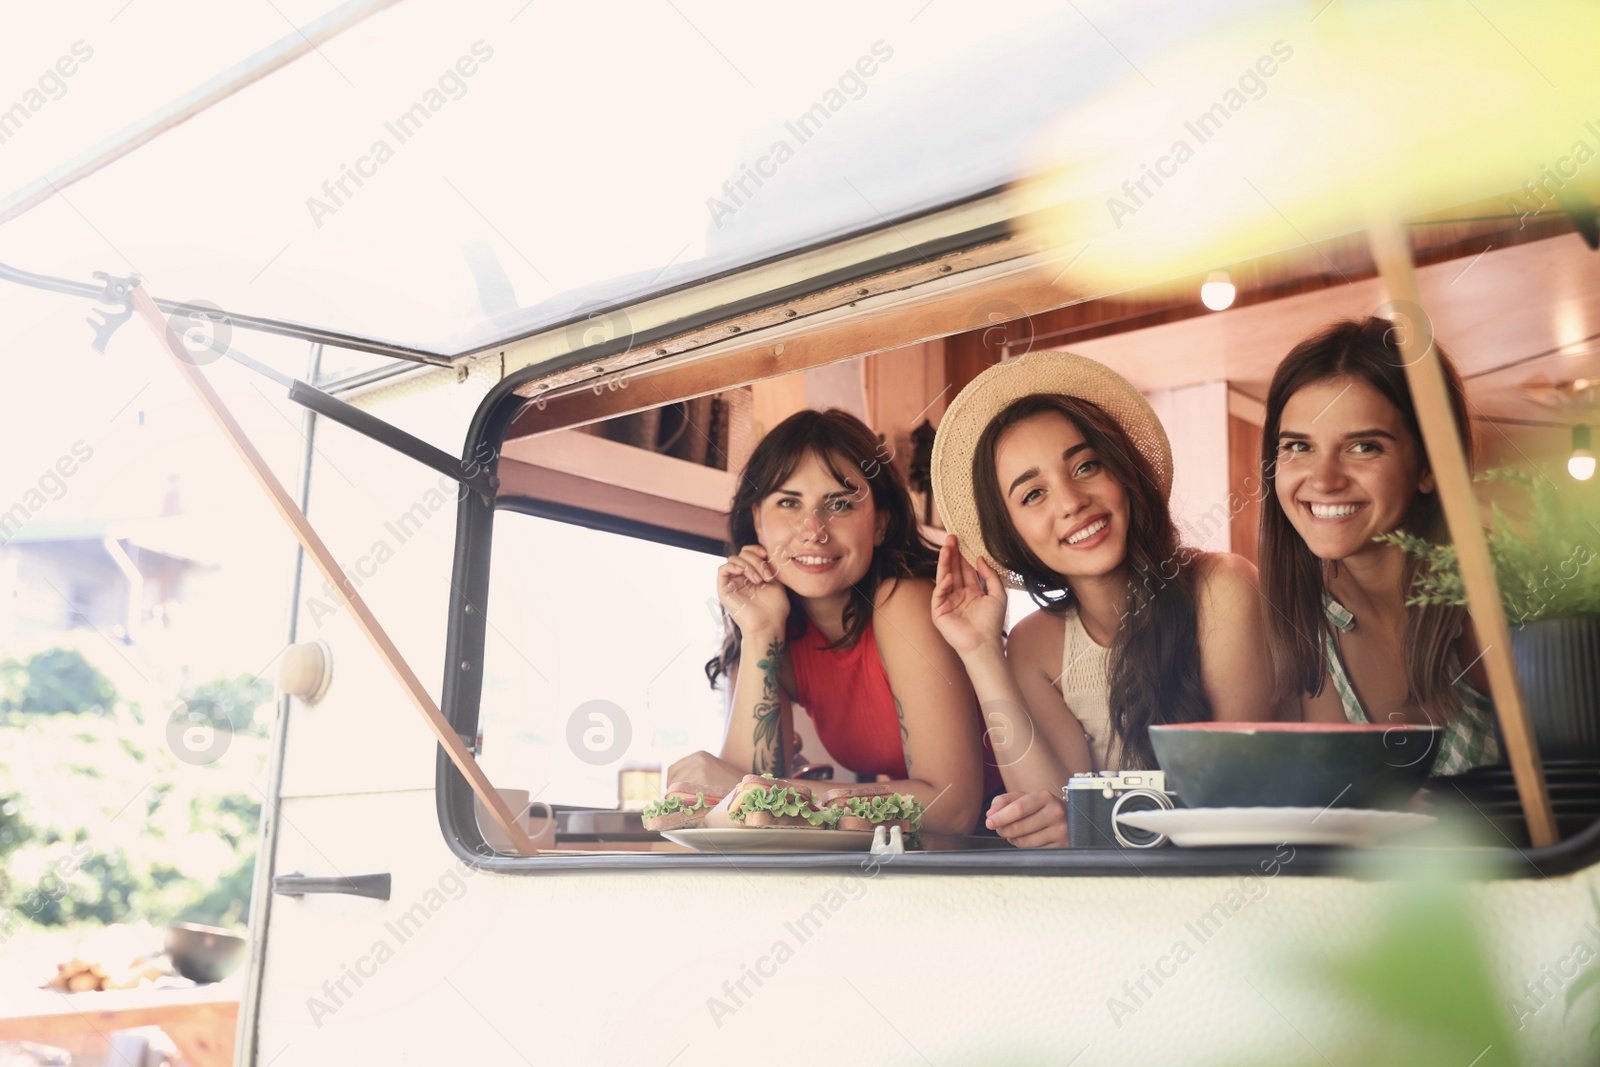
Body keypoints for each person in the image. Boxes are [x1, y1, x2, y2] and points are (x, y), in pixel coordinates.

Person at [929, 351, 1275, 847]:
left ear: (1123, 471)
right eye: (1033, 495)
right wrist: (979, 650)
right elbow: (1047, 819)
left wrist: (1089, 822)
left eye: (1086, 466)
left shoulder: (1222, 588)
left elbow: (1237, 797)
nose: (1071, 502)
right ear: (1012, 533)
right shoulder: (1033, 646)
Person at [669, 409, 995, 836]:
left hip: (1012, 847)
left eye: (839, 504)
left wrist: (786, 795)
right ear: (757, 522)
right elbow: (748, 815)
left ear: (879, 523)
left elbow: (954, 808)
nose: (813, 530)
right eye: (788, 502)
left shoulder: (904, 603)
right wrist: (760, 629)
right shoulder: (768, 627)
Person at [1258, 317, 1500, 774]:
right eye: (1298, 447)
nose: (1324, 480)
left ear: (1429, 467)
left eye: (1363, 447)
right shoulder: (1304, 621)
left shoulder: (1497, 597)